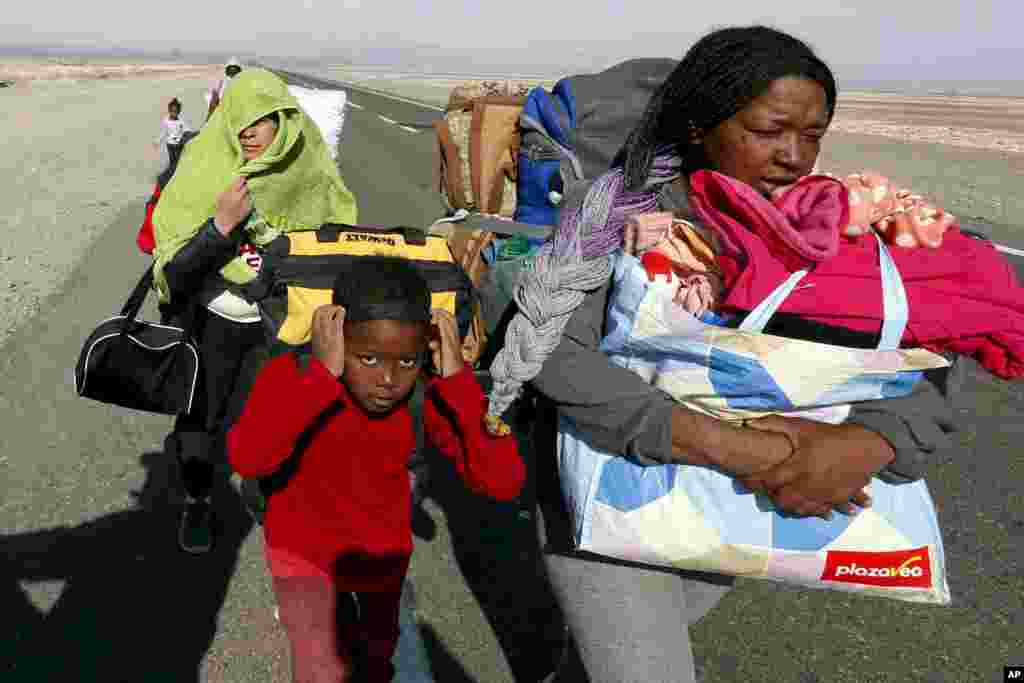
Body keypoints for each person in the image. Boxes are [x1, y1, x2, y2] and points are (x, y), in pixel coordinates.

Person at [485, 26, 961, 682]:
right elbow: (555, 355)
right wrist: (741, 447)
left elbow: (927, 360)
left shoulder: (828, 225)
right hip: (614, 482)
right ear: (698, 127)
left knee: (606, 663)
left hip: (737, 502)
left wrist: (866, 445)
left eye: (813, 133)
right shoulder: (625, 211)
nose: (795, 155)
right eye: (769, 130)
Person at [227, 255, 526, 683]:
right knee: (319, 668)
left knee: (376, 664)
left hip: (380, 562)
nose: (388, 380)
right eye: (367, 359)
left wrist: (458, 380)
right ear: (335, 333)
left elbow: (503, 481)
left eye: (406, 361)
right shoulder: (292, 376)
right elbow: (248, 457)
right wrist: (321, 377)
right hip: (302, 557)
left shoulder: (426, 394)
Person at [151, 68, 358, 554]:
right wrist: (220, 226)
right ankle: (198, 501)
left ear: (284, 119)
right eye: (240, 119)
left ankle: (264, 494)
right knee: (199, 423)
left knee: (271, 422)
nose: (249, 130)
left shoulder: (310, 169)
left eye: (262, 119)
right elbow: (175, 275)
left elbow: (333, 249)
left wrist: (277, 250)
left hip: (276, 325)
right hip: (211, 325)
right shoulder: (206, 166)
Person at [155, 98, 192, 170]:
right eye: (172, 111)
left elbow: (186, 130)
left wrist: (190, 134)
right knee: (172, 160)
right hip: (170, 145)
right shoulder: (166, 121)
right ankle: (171, 171)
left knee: (178, 160)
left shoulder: (180, 122)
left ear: (179, 112)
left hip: (178, 145)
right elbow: (164, 132)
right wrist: (158, 141)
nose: (173, 113)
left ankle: (176, 170)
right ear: (169, 111)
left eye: (175, 111)